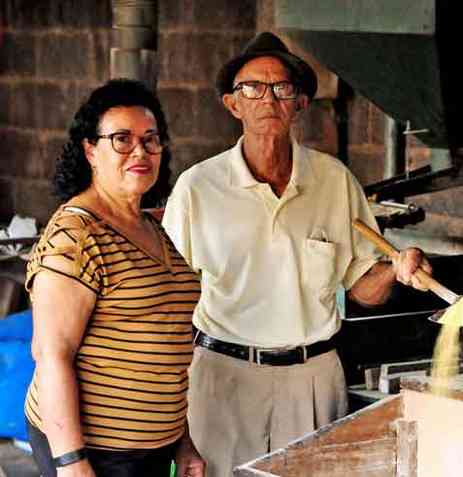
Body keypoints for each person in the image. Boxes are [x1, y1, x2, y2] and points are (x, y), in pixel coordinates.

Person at [162, 32, 432, 477]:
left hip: (312, 376)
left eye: (282, 88)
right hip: (223, 375)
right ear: (233, 104)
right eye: (252, 88)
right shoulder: (197, 188)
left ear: (301, 104)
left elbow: (364, 288)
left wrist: (396, 271)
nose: (268, 98)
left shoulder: (334, 181)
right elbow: (169, 299)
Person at [24, 79, 205, 477]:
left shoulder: (146, 226)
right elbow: (51, 356)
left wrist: (182, 440)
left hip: (150, 449)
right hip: (98, 452)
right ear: (91, 150)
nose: (139, 151)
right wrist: (71, 462)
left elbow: (159, 346)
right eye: (121, 139)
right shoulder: (76, 236)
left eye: (151, 139)